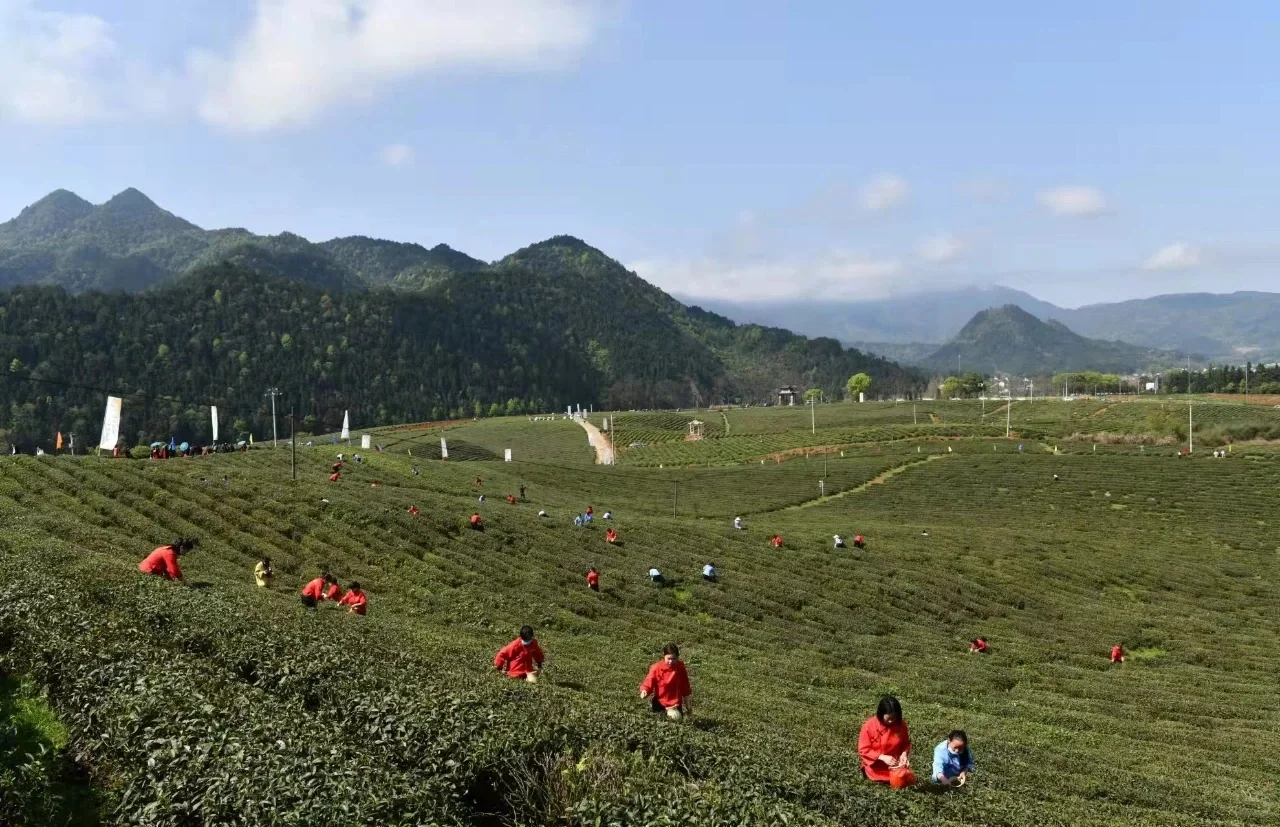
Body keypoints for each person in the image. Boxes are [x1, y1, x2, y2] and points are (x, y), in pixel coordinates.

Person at [857, 695, 910, 783]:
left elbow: (905, 743)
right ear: (881, 714)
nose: (891, 721)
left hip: (895, 766)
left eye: (894, 718)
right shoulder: (869, 726)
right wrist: (881, 757)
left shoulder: (901, 725)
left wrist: (904, 754)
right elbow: (863, 750)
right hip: (875, 768)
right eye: (888, 718)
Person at [639, 643, 692, 721]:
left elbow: (685, 686)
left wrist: (688, 706)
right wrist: (645, 690)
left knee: (676, 722)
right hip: (660, 703)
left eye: (674, 659)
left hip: (675, 704)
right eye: (668, 659)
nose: (671, 661)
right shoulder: (656, 668)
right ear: (664, 657)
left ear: (677, 657)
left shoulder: (680, 668)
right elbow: (649, 680)